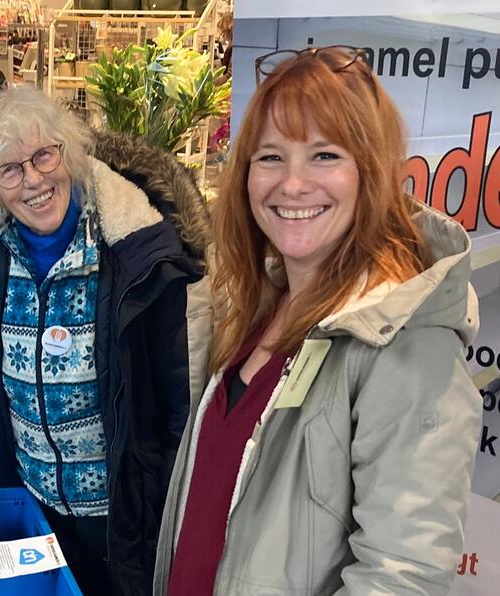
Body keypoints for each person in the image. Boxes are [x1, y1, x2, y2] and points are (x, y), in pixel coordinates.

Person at [153, 46, 481, 595]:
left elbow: (401, 579)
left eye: (325, 155)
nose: (294, 184)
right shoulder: (254, 307)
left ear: (370, 171)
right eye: (271, 156)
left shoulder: (406, 341)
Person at [0, 86, 211, 595]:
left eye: (43, 155)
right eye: (10, 169)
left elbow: (178, 400)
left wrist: (177, 512)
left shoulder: (136, 254)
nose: (33, 180)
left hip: (123, 515)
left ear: (69, 152)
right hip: (28, 502)